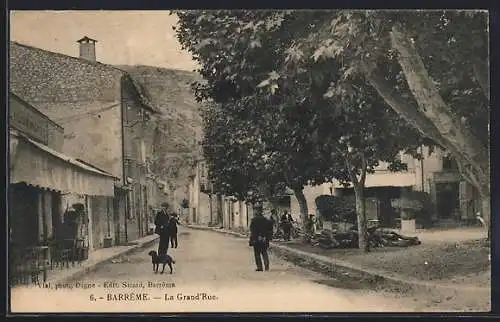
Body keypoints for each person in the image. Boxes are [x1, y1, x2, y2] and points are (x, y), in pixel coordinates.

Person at [249, 204, 273, 271]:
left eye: (255, 210)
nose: (255, 211)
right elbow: (269, 229)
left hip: (256, 239)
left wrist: (252, 240)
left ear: (256, 211)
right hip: (264, 239)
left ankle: (260, 267)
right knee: (264, 252)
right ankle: (266, 266)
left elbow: (252, 231)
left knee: (257, 254)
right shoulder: (265, 220)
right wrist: (265, 237)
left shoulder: (253, 220)